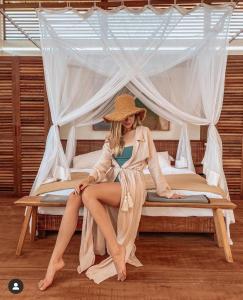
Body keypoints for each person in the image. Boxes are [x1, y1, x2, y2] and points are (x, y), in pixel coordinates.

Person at [38, 94, 185, 291]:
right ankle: (54, 261)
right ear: (116, 118)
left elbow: (154, 164)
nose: (128, 119)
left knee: (89, 194)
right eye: (123, 116)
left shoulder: (144, 132)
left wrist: (165, 191)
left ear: (136, 115)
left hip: (132, 183)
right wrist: (87, 180)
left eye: (131, 114)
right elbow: (101, 167)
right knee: (75, 196)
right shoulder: (111, 139)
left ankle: (115, 248)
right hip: (113, 183)